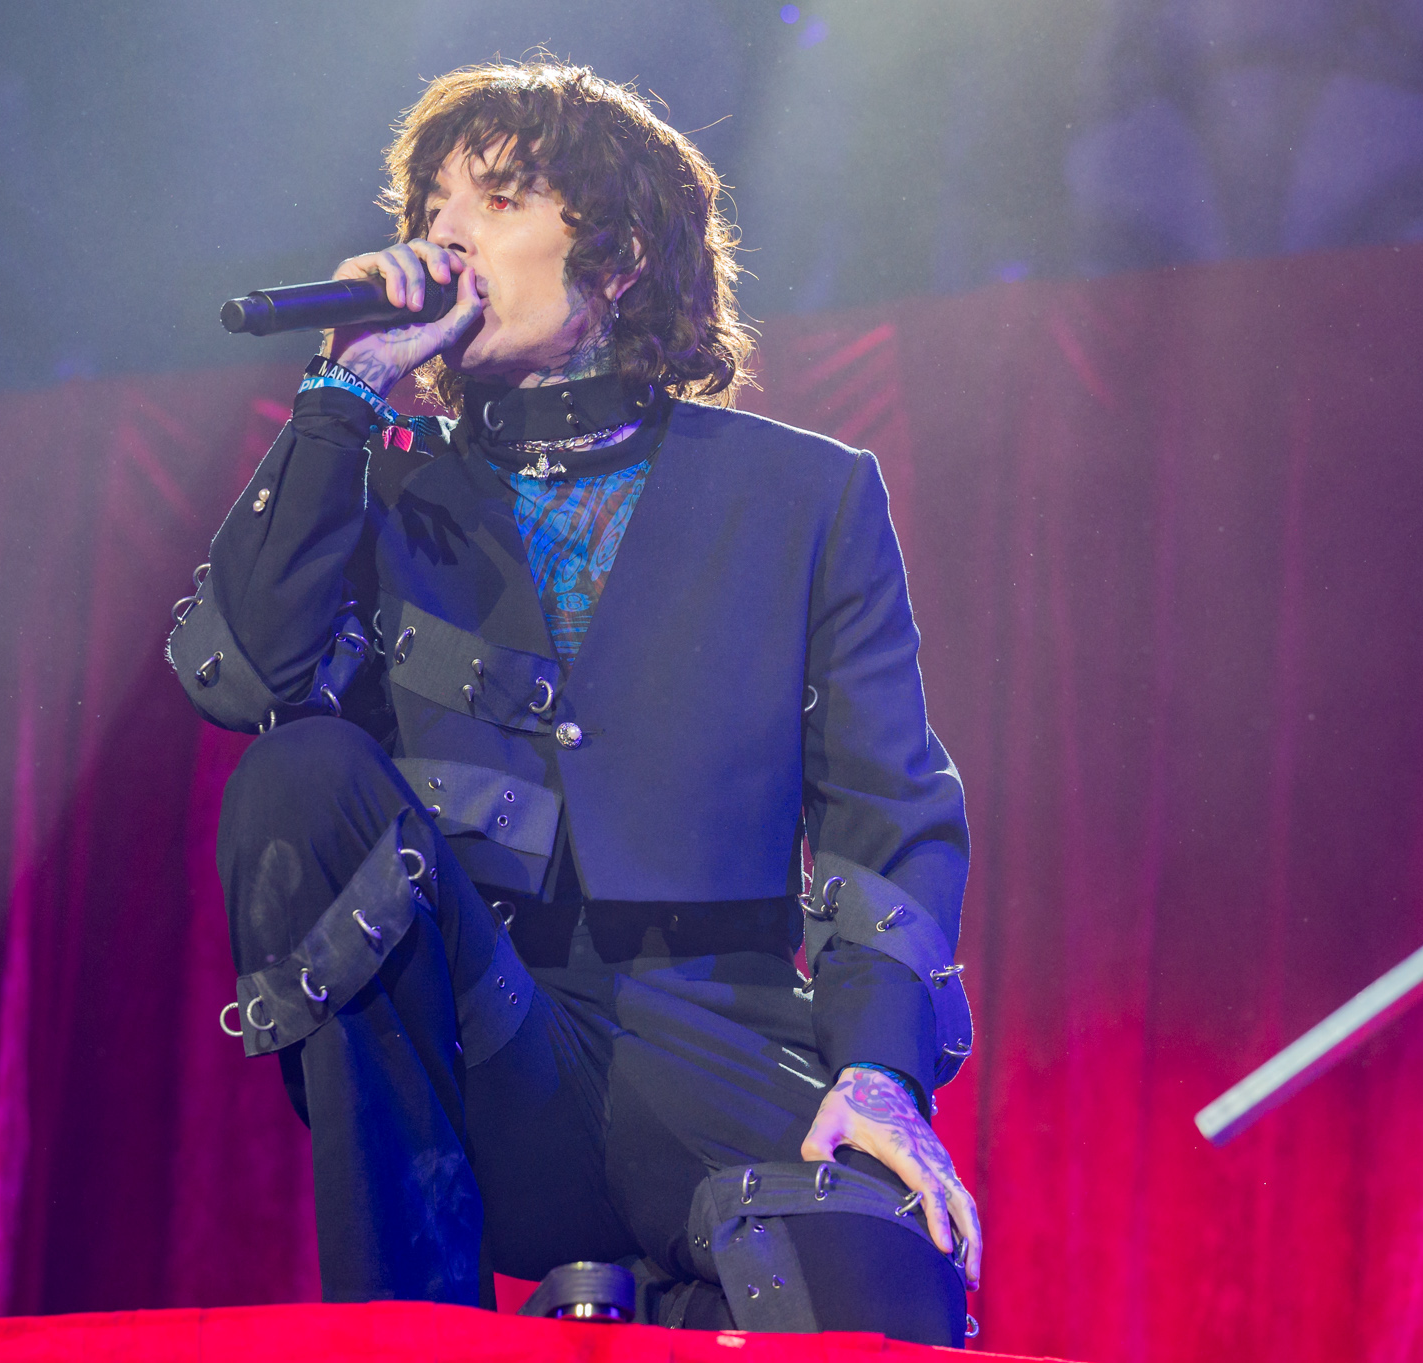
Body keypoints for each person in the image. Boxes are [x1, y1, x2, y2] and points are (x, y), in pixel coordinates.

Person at [168, 60, 980, 1343]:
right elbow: (239, 674)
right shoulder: (378, 484)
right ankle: (405, 1327)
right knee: (300, 770)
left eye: (492, 199)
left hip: (716, 1036)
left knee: (880, 1300)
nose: (442, 235)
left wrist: (878, 1072)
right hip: (482, 1051)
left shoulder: (806, 497)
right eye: (429, 204)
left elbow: (887, 808)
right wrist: (340, 396)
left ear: (617, 251)